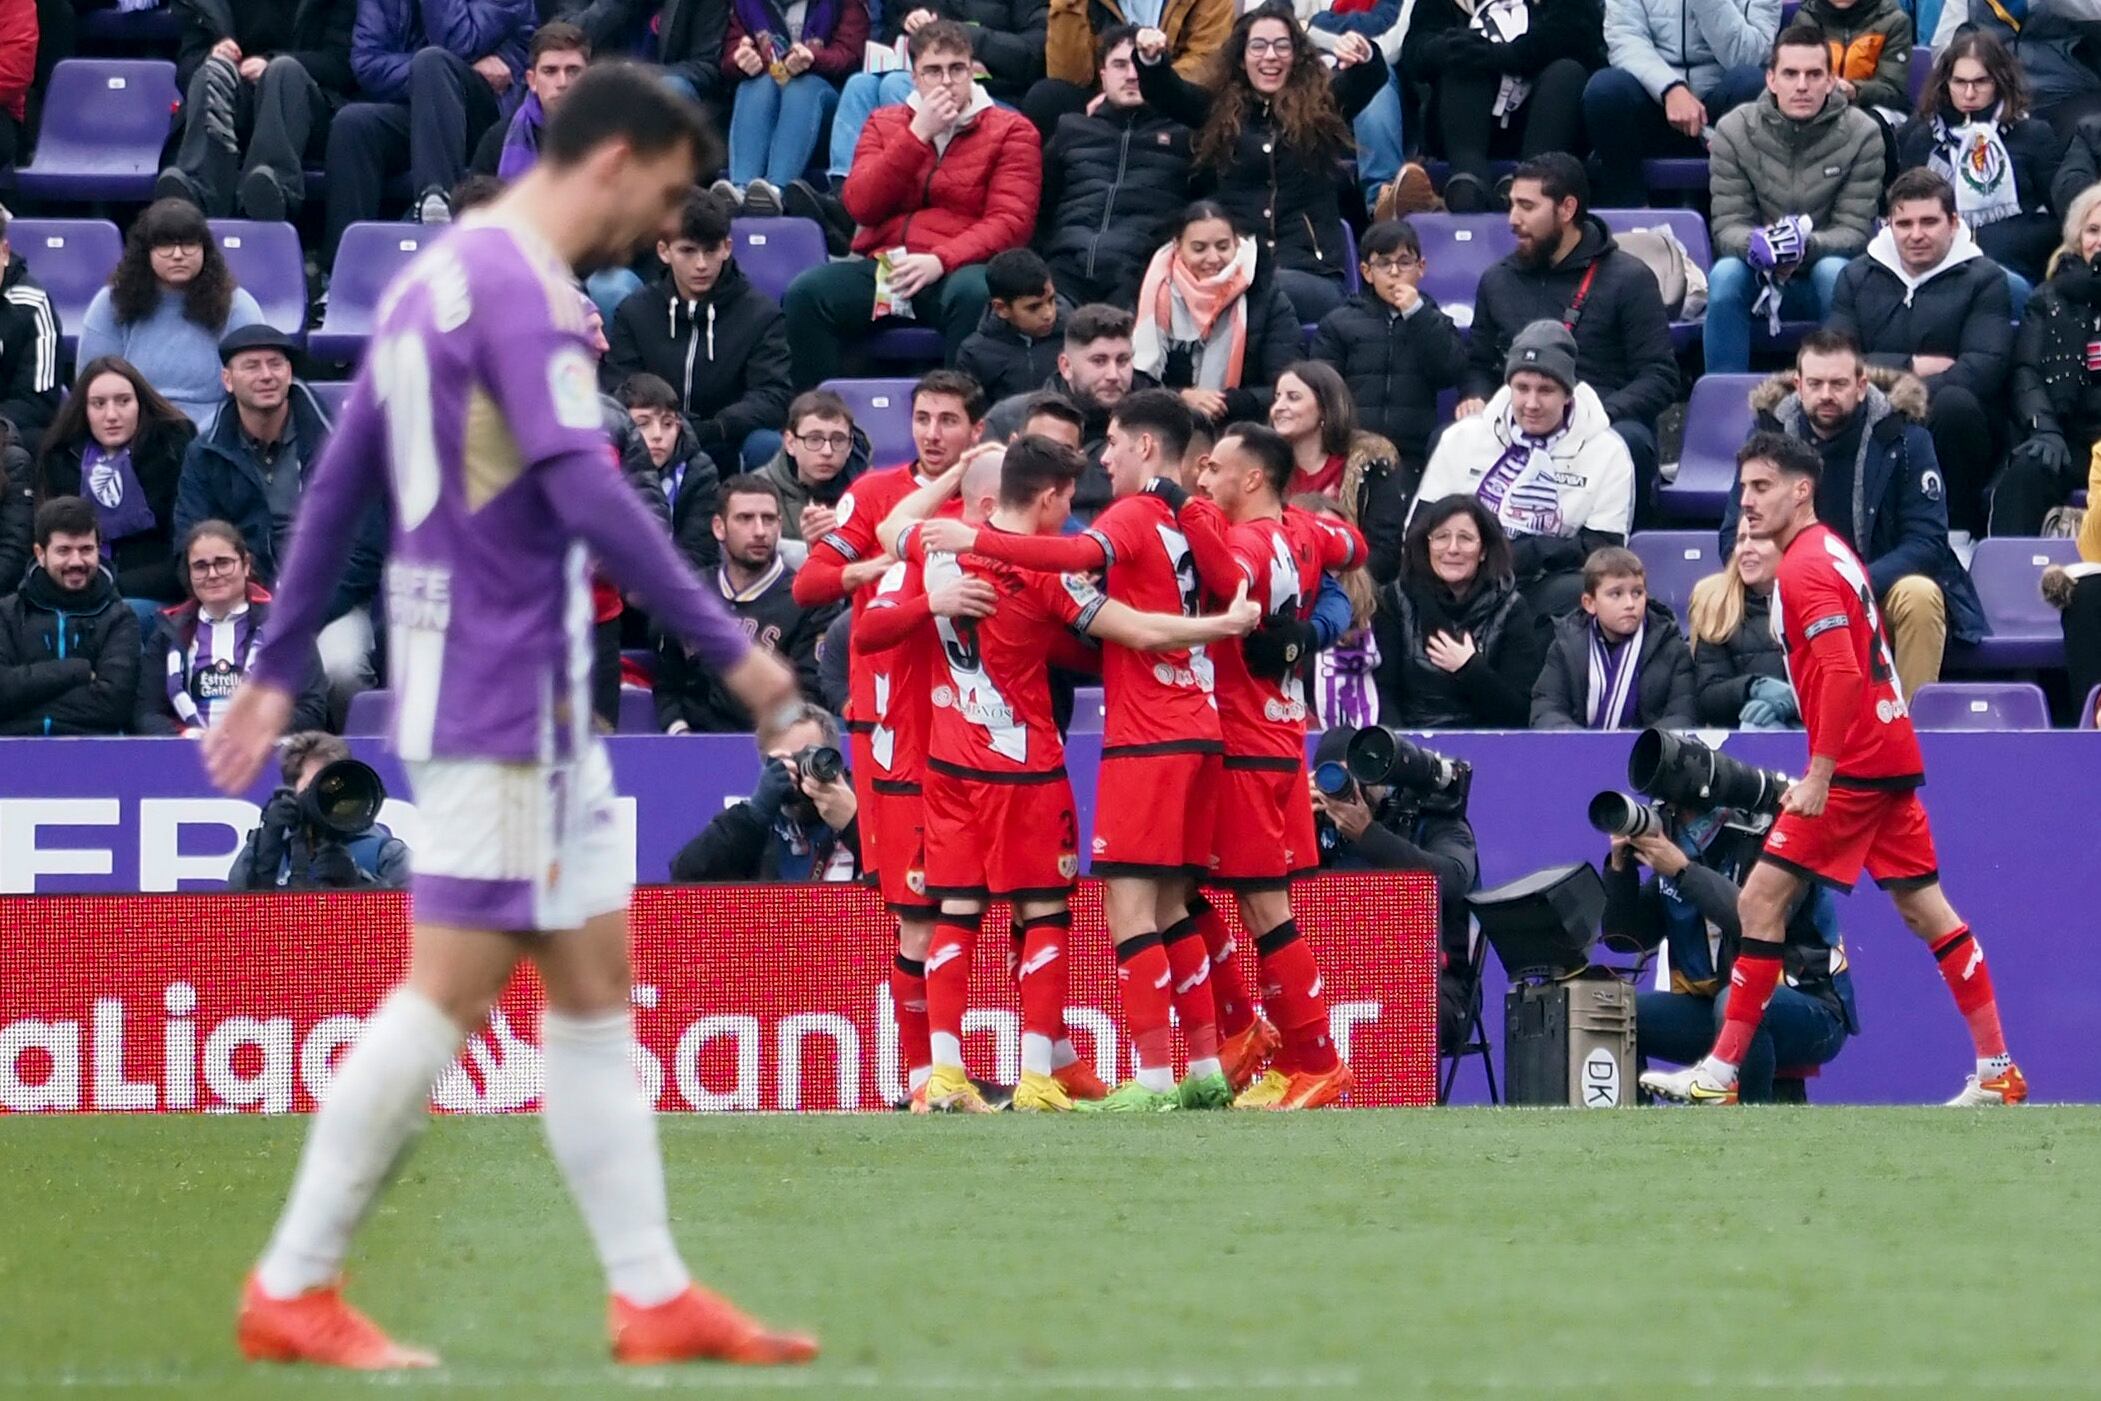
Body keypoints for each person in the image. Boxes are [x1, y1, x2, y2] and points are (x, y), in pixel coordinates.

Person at [199, 63, 817, 1368]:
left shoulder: (432, 276)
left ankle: (651, 1293)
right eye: (654, 198)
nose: (651, 232)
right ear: (615, 158)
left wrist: (274, 658)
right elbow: (584, 495)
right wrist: (738, 656)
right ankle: (294, 1283)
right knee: (446, 996)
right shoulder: (530, 291)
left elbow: (341, 478)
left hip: (491, 686)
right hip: (504, 690)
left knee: (596, 991)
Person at [1642, 431, 2027, 1107]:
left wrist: (1818, 771)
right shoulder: (1832, 553)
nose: (1748, 501)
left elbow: (1845, 671)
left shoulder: (1803, 567)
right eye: (1744, 487)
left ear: (1801, 488)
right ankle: (1996, 1066)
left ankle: (1720, 1072)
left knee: (1759, 902)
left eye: (1762, 486)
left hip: (1851, 764)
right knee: (1925, 911)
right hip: (1886, 752)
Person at [881, 436, 1261, 1112]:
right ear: (1052, 497)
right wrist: (1222, 624)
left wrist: (953, 478)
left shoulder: (941, 544)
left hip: (948, 762)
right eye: (1067, 499)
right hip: (1024, 766)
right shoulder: (1053, 575)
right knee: (1045, 914)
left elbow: (887, 526)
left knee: (958, 910)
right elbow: (1141, 632)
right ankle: (1034, 1078)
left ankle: (944, 1072)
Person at [790, 369, 986, 1114]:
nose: (933, 433)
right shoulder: (875, 495)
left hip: (981, 723)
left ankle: (1037, 1062)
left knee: (1009, 901)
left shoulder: (989, 496)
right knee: (915, 905)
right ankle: (922, 1075)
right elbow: (812, 584)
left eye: (948, 420)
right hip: (892, 726)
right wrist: (882, 563)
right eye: (924, 418)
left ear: (974, 430)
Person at [1181, 423, 1367, 1109]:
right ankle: (1263, 1041)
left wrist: (1177, 503)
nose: (1205, 478)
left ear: (1251, 477)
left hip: (1244, 742)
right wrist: (1314, 623)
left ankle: (1313, 1057)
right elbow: (1355, 545)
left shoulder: (1245, 543)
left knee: (1262, 907)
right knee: (1177, 886)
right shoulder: (1302, 531)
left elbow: (1218, 571)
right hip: (1270, 737)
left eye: (1215, 468)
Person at [782, 20, 1042, 386]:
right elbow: (860, 206)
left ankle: (958, 417)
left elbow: (1011, 222)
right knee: (808, 294)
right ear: (915, 77)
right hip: (889, 269)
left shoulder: (1012, 130)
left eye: (957, 69)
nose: (946, 81)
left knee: (976, 293)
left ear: (974, 72)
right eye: (933, 71)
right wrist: (917, 135)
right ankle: (816, 424)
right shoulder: (884, 124)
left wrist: (940, 260)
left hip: (956, 268)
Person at [1732, 330, 1986, 697]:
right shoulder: (1769, 439)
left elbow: (1927, 543)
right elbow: (1734, 531)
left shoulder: (1904, 437)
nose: (1826, 395)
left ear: (1862, 385)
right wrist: (1791, 581)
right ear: (1798, 385)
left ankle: (1910, 729)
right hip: (1794, 587)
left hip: (1877, 585)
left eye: (1838, 384)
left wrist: (1853, 582)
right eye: (1815, 384)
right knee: (1712, 591)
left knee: (1921, 595)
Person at [173, 325, 384, 711]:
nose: (266, 375)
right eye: (251, 366)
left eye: (276, 364)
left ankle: (344, 768)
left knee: (342, 672)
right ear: (227, 379)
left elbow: (367, 547)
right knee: (224, 677)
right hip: (243, 604)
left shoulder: (341, 441)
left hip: (331, 599)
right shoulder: (205, 452)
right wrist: (256, 609)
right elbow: (191, 540)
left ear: (290, 373)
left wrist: (306, 611)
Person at [1135, 5, 1389, 321]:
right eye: (1258, 46)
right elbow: (1166, 91)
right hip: (1234, 273)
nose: (1271, 56)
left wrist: (1364, 53)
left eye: (1282, 46)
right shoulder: (1216, 110)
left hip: (1312, 274)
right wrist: (1149, 58)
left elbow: (1371, 77)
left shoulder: (1322, 108)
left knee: (1261, 293)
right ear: (1241, 59)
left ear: (1296, 57)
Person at [1457, 155, 1679, 513]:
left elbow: (1660, 376)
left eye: (1527, 207)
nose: (1513, 220)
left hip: (1601, 422)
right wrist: (1476, 396)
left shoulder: (1629, 278)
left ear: (1567, 208)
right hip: (1518, 416)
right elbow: (1479, 363)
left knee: (1629, 442)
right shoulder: (1497, 279)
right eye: (1512, 205)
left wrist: (1595, 416)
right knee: (1448, 439)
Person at [1603, 788, 1855, 1103]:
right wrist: (1620, 870)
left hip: (1814, 1011)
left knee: (1735, 999)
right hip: (1715, 1007)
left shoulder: (1770, 854)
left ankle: (1751, 1127)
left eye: (1682, 813)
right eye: (1666, 811)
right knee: (1621, 1017)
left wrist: (1683, 871)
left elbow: (1751, 924)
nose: (1674, 823)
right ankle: (1637, 1134)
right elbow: (1622, 938)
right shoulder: (1674, 870)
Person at [1827, 167, 2012, 535]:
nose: (1916, 235)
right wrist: (1911, 366)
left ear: (1954, 223)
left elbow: (1983, 367)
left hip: (1948, 414)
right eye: (1904, 223)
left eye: (1929, 222)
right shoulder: (1855, 276)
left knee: (1956, 406)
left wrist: (1905, 397)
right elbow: (1837, 361)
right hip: (1870, 404)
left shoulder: (1986, 278)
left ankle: (1957, 533)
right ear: (1888, 225)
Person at [1418, 319, 1634, 618]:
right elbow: (1420, 527)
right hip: (1461, 574)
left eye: (1545, 390)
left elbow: (1604, 551)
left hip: (1543, 581)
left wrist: (1524, 553)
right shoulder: (1462, 437)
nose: (1531, 403)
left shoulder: (1607, 451)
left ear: (1569, 393)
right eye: (1522, 388)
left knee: (1579, 593)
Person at [1705, 23, 1885, 373]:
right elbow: (1727, 226)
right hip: (1755, 275)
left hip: (1824, 272)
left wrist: (1801, 244)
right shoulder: (1734, 130)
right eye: (1790, 74)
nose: (1802, 85)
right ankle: (1722, 399)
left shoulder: (1864, 133)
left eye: (1814, 74)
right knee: (1725, 275)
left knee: (1835, 272)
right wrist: (1761, 245)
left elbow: (1856, 232)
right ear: (1771, 79)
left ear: (1831, 81)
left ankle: (1839, 391)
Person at [1308, 724, 1481, 1053]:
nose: (1349, 791)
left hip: (1429, 984)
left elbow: (1453, 880)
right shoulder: (1311, 826)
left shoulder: (1431, 820)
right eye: (1333, 780)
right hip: (1333, 978)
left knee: (1400, 1010)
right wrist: (1292, 825)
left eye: (1358, 778)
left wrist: (1368, 835)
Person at [604, 187, 793, 473]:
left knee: (766, 444)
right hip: (650, 441)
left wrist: (716, 427)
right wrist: (662, 424)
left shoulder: (760, 314)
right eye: (688, 251)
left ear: (727, 248)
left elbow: (772, 395)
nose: (701, 264)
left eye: (711, 250)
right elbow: (618, 387)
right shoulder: (635, 312)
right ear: (664, 251)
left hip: (725, 441)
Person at [325, 0, 534, 245]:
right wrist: (426, 78)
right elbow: (367, 65)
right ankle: (344, 265)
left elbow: (460, 42)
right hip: (419, 109)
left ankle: (436, 204)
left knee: (433, 62)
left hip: (488, 114)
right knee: (353, 123)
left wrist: (433, 71)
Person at [819, 0, 1044, 224]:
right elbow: (890, 43)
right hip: (925, 78)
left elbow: (1036, 53)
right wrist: (909, 25)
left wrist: (962, 37)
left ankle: (908, 197)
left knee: (895, 84)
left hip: (997, 98)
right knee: (860, 85)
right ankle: (843, 195)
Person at [657, 474, 833, 732]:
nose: (760, 531)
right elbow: (667, 683)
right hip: (694, 746)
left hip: (776, 750)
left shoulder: (808, 598)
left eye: (769, 519)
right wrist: (679, 732)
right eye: (745, 518)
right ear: (719, 527)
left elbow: (810, 695)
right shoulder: (689, 594)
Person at [155, 0, 357, 221]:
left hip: (303, 112)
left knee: (284, 70)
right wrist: (213, 54)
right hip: (236, 111)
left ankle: (272, 189)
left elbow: (340, 65)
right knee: (212, 71)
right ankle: (196, 193)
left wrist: (271, 61)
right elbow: (186, 71)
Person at [1398, 0, 1604, 215]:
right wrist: (1448, 47)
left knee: (1567, 73)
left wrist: (1504, 55)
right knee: (1461, 64)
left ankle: (1531, 184)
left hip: (1541, 118)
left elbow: (1580, 40)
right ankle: (1468, 185)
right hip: (1466, 120)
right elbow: (1415, 53)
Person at [1038, 27, 1195, 308]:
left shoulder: (1187, 135)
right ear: (1103, 76)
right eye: (1120, 65)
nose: (1133, 75)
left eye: (1139, 65)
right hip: (1065, 264)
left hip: (1141, 272)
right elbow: (1042, 205)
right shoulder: (1071, 129)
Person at [1309, 217, 1466, 495]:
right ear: (1367, 272)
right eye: (1383, 263)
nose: (1394, 272)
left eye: (1405, 262)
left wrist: (1417, 314)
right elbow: (1322, 390)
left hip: (1412, 458)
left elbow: (1450, 371)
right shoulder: (1339, 323)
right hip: (1349, 453)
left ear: (1421, 268)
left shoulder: (1434, 322)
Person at [74, 200, 266, 426]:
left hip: (216, 438)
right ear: (146, 252)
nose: (178, 255)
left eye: (189, 244)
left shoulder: (237, 305)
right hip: (136, 433)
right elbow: (93, 385)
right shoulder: (110, 303)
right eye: (165, 245)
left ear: (205, 249)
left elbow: (255, 387)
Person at [135, 518, 330, 737]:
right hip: (184, 756)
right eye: (200, 566)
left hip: (267, 755)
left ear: (246, 565)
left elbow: (312, 710)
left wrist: (252, 732)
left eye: (223, 563)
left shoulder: (286, 628)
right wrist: (188, 738)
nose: (213, 574)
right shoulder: (167, 632)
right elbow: (148, 714)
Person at [1895, 33, 2060, 289]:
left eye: (1981, 82)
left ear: (2000, 81)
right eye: (1959, 82)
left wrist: (2006, 240)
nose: (1969, 94)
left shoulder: (2033, 136)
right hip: (1934, 267)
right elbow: (1902, 210)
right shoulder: (1922, 136)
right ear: (1945, 83)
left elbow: (2061, 217)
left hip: (2010, 268)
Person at [1371, 494, 1548, 728]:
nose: (1452, 549)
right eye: (1442, 537)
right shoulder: (1394, 600)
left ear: (1483, 550)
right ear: (1427, 545)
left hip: (1486, 745)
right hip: (1411, 746)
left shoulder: (1511, 608)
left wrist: (1470, 669)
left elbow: (1519, 712)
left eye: (1465, 538)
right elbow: (1383, 694)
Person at [36, 357, 200, 610]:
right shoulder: (60, 459)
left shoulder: (172, 452)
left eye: (123, 401)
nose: (111, 415)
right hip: (74, 592)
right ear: (84, 410)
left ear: (140, 404)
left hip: (152, 592)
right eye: (98, 404)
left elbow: (184, 553)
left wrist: (110, 586)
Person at [1581, 0, 1776, 208]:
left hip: (1720, 101)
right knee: (1605, 90)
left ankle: (1733, 214)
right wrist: (1670, 88)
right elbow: (1625, 41)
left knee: (1753, 84)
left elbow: (1750, 56)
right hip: (1653, 97)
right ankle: (1633, 212)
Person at [1130, 202, 1299, 432]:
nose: (1213, 258)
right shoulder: (1148, 293)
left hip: (1243, 427)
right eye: (1199, 248)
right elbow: (1132, 380)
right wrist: (1181, 397)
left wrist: (1221, 402)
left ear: (1237, 243)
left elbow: (1285, 385)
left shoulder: (1266, 297)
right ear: (1178, 247)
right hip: (1164, 423)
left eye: (1222, 246)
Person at [983, 303, 1151, 519]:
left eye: (1123, 360)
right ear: (1066, 366)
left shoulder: (1156, 422)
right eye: (1099, 361)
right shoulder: (1008, 419)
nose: (1113, 374)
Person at [2002, 183, 2101, 535]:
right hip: (2069, 437)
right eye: (2093, 230)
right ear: (2077, 237)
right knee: (2028, 469)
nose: (2100, 241)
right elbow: (2025, 371)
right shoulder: (2047, 298)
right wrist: (2044, 429)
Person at [669, 703, 863, 880]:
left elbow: (892, 879)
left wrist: (853, 824)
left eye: (810, 757)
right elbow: (685, 874)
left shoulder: (865, 811)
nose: (801, 770)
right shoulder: (754, 828)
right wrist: (755, 814)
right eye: (787, 762)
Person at [0, 496, 141, 736]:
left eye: (86, 549)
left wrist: (22, 705)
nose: (76, 561)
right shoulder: (7, 614)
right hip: (13, 755)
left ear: (99, 548)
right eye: (63, 550)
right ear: (40, 553)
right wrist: (77, 670)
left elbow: (114, 705)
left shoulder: (119, 617)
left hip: (96, 757)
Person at [716, 0, 868, 213]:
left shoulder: (844, 4)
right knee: (758, 83)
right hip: (770, 93)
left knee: (801, 86)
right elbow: (729, 57)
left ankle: (777, 188)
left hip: (828, 106)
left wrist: (813, 59)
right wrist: (742, 60)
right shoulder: (745, 5)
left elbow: (851, 56)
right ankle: (740, 187)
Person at [1268, 360, 1411, 583]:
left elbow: (1384, 554)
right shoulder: (1265, 466)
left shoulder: (1372, 461)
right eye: (1277, 397)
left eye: (1293, 397)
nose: (1278, 407)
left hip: (1350, 594)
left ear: (1325, 407)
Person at [1531, 544, 1695, 728]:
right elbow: (1546, 710)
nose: (1630, 604)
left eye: (1637, 593)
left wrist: (1641, 748)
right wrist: (1582, 745)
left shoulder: (1672, 648)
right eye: (1616, 594)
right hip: (1580, 753)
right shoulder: (1566, 646)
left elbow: (1683, 716)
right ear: (1589, 603)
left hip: (1648, 754)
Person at [227, 731, 411, 890]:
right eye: (314, 785)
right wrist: (266, 852)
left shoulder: (386, 853)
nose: (326, 796)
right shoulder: (269, 844)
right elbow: (236, 919)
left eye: (334, 785)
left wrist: (358, 884)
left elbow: (418, 921)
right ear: (292, 789)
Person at [1032, 0, 1232, 135]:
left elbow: (1206, 63)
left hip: (1172, 103)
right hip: (1100, 102)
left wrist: (1147, 84)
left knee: (1214, 108)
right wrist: (1069, 5)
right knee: (1049, 96)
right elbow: (1068, 75)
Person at [1687, 519, 1794, 727]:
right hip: (1743, 737)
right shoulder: (1716, 604)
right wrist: (1753, 687)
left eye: (1759, 538)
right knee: (1755, 726)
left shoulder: (1818, 599)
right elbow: (1709, 697)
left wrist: (1792, 702)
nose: (1746, 549)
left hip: (1815, 731)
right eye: (1741, 539)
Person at [468, 21, 590, 177]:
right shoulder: (499, 140)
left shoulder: (611, 135)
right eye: (550, 71)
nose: (562, 83)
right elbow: (475, 199)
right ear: (532, 80)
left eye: (573, 71)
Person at [758, 388, 869, 546]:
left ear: (850, 445)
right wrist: (806, 547)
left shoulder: (871, 492)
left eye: (838, 440)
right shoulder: (759, 491)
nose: (827, 451)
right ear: (790, 443)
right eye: (814, 439)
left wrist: (848, 532)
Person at [956, 249, 1066, 406]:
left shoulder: (1076, 338)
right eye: (1033, 307)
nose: (1048, 314)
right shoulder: (974, 353)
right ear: (1001, 308)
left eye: (1051, 300)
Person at [0, 205, 64, 445]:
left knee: (32, 442)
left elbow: (38, 402)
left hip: (4, 436)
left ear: (4, 252)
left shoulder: (32, 304)